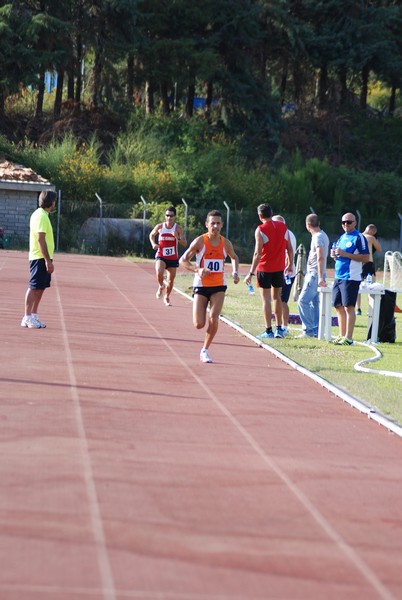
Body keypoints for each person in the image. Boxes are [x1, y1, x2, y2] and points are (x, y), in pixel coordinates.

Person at [179, 210, 239, 363]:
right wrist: (197, 269)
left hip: (218, 285)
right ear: (207, 224)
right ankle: (202, 309)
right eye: (212, 223)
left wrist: (235, 271)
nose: (216, 226)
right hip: (201, 285)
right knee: (199, 324)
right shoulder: (200, 241)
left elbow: (234, 257)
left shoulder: (226, 243)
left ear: (222, 225)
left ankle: (205, 349)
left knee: (214, 317)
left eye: (218, 223)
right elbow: (183, 260)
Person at [244, 203, 293, 339]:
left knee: (266, 299)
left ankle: (268, 330)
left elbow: (257, 253)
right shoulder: (283, 227)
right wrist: (290, 263)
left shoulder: (260, 229)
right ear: (271, 213)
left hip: (264, 268)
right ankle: (279, 329)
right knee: (277, 298)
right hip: (279, 268)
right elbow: (289, 248)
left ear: (260, 216)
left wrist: (251, 272)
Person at [330, 212, 369, 345]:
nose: (346, 224)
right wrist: (334, 255)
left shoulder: (359, 237)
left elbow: (366, 257)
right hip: (338, 276)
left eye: (349, 222)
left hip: (351, 277)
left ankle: (349, 338)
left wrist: (345, 254)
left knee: (349, 307)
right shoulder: (342, 237)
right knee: (338, 306)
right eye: (343, 222)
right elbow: (340, 255)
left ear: (355, 222)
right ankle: (341, 335)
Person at [21, 189, 57, 328]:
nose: (55, 203)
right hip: (39, 257)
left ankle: (34, 315)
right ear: (50, 202)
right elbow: (40, 239)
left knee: (40, 287)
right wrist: (47, 260)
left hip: (42, 257)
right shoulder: (41, 216)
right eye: (54, 201)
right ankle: (27, 316)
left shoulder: (42, 214)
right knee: (34, 286)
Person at [296, 214, 329, 338]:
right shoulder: (322, 235)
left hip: (315, 274)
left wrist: (320, 277)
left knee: (302, 301)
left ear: (308, 225)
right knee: (314, 303)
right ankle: (316, 329)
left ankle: (309, 330)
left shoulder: (318, 237)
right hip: (316, 273)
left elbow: (320, 257)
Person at [149, 206, 187, 306]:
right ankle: (161, 286)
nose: (169, 218)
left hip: (173, 257)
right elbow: (152, 235)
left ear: (174, 216)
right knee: (159, 272)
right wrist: (153, 244)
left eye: (171, 216)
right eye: (167, 215)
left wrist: (177, 238)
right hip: (161, 255)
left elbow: (185, 243)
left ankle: (167, 297)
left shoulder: (178, 228)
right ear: (165, 216)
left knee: (170, 281)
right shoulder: (160, 227)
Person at [272, 215, 297, 335]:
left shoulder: (287, 234)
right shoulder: (285, 233)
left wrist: (286, 267)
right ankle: (281, 325)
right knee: (279, 299)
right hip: (282, 270)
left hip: (286, 272)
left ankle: (284, 326)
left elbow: (288, 252)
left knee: (282, 300)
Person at [356, 224, 382, 315]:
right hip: (368, 263)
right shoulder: (371, 238)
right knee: (372, 286)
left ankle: (358, 309)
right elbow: (379, 249)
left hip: (358, 263)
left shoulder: (357, 236)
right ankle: (370, 309)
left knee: (357, 286)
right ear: (372, 232)